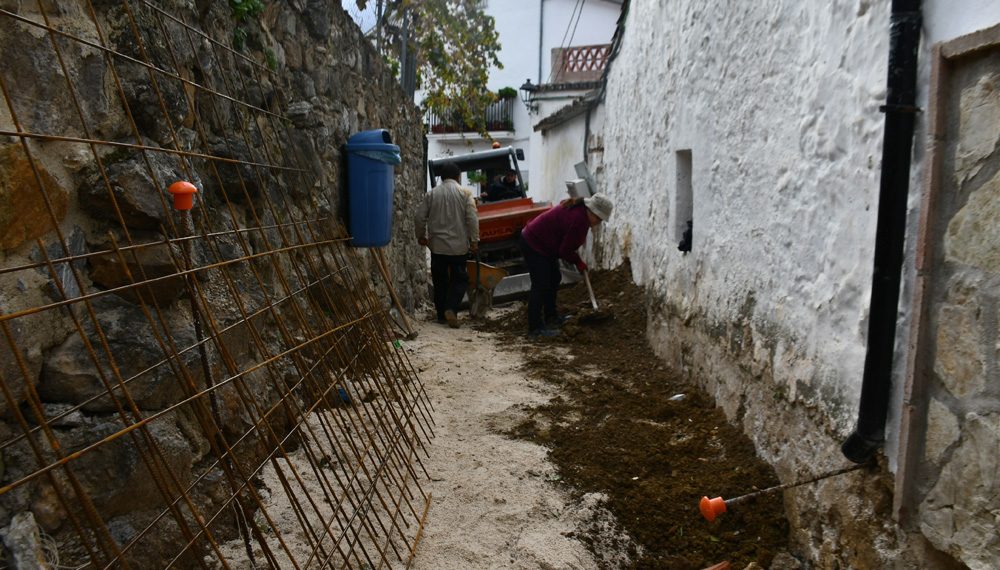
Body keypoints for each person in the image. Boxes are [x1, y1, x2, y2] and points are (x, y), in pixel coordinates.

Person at [518, 193, 613, 337]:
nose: (598, 222)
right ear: (592, 212)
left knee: (554, 277)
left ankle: (551, 317)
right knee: (541, 284)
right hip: (534, 243)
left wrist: (576, 257)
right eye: (599, 219)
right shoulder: (579, 219)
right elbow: (565, 251)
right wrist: (578, 262)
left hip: (544, 245)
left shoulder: (581, 212)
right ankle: (535, 328)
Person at [416, 162, 480, 328]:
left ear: (442, 177)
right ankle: (451, 308)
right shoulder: (465, 193)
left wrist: (421, 236)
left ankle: (441, 316)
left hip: (437, 247)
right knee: (460, 279)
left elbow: (419, 217)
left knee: (440, 281)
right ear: (458, 177)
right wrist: (474, 241)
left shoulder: (431, 194)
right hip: (458, 248)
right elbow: (472, 219)